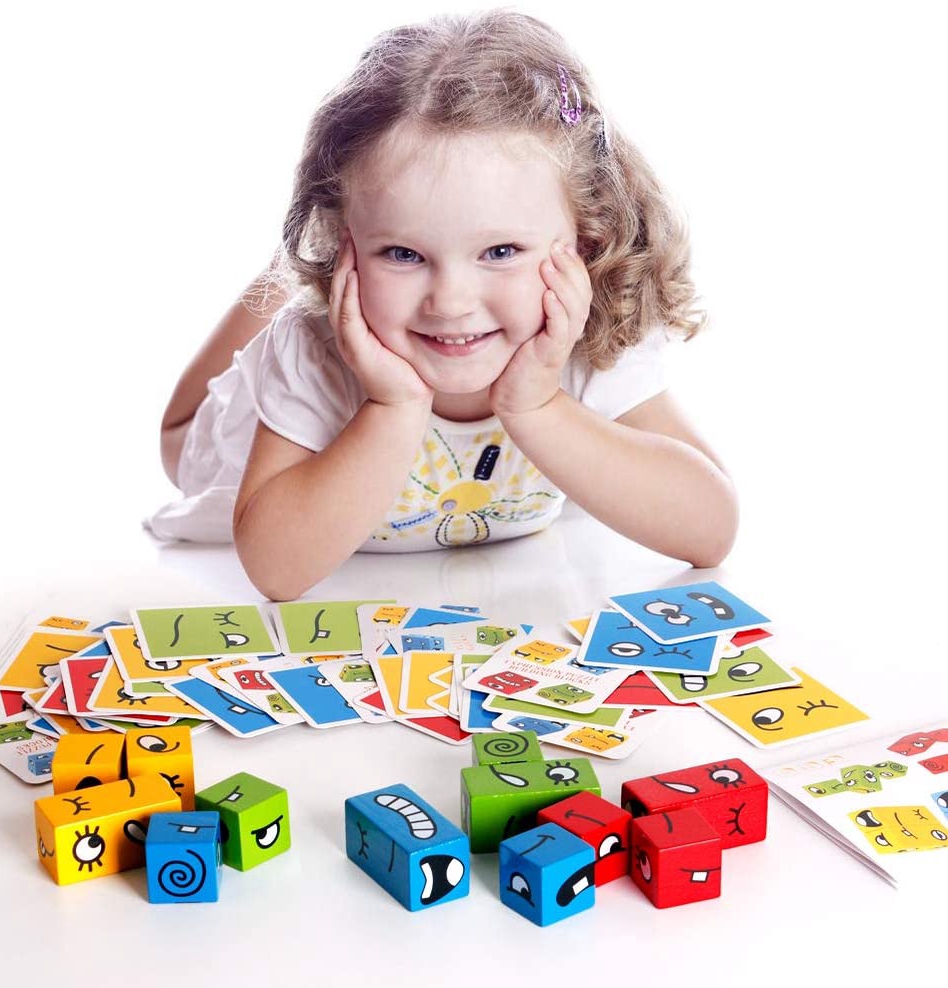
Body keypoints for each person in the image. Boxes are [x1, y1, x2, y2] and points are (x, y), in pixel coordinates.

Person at [149, 9, 739, 600]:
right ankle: (290, 273)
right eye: (403, 253)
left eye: (500, 251)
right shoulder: (311, 348)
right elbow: (276, 572)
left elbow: (711, 530)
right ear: (345, 245)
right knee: (178, 437)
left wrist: (538, 406)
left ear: (588, 239)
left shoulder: (593, 334)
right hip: (229, 439)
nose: (451, 303)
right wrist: (394, 406)